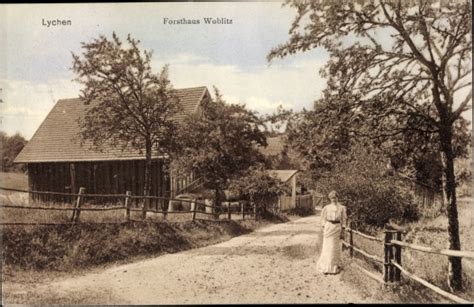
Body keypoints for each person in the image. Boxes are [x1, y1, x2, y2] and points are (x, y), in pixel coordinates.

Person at [316, 190, 347, 274]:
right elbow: (323, 219)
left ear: (338, 198)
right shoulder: (326, 208)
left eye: (335, 197)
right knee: (327, 246)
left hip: (337, 228)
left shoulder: (342, 208)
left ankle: (333, 267)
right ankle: (325, 266)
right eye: (332, 198)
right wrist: (324, 227)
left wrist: (343, 230)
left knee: (334, 247)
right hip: (328, 227)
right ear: (330, 199)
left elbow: (344, 220)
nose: (334, 199)